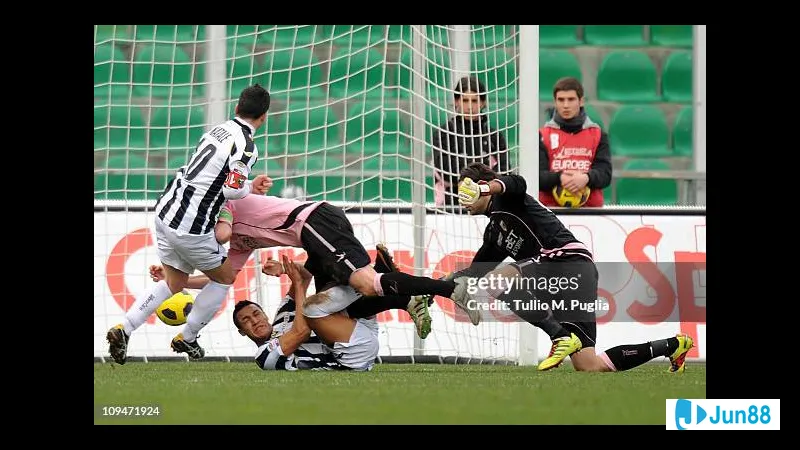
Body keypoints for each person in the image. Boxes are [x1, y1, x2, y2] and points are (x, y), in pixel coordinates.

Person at [450, 162, 693, 373]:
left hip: (567, 260)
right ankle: (674, 345)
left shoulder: (507, 197)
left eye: (466, 191)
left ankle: (560, 336)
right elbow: (476, 271)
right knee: (588, 365)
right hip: (566, 273)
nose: (463, 199)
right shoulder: (494, 233)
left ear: (482, 185)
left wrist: (485, 187)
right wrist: (430, 290)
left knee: (498, 280)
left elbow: (517, 182)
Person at [106, 84, 273, 365]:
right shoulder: (246, 146)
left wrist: (245, 184)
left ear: (236, 108)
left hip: (165, 212)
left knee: (175, 281)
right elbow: (232, 190)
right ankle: (189, 337)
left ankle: (125, 328)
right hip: (191, 226)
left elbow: (215, 175)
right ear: (264, 117)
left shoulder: (217, 130)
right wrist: (250, 189)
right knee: (225, 277)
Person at [203, 193, 469, 325]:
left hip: (314, 222)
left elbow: (222, 230)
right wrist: (175, 282)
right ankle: (402, 296)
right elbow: (222, 276)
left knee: (366, 283)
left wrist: (190, 247)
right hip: (312, 240)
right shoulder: (238, 244)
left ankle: (450, 289)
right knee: (332, 311)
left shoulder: (229, 206)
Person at [234, 254, 388, 371]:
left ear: (264, 314)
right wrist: (298, 284)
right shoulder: (263, 357)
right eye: (246, 320)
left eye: (256, 314)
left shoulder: (283, 314)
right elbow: (301, 332)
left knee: (323, 272)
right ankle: (377, 280)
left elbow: (306, 275)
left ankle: (384, 285)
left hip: (359, 329)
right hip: (351, 357)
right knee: (315, 308)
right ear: (241, 332)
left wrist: (284, 268)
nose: (254, 321)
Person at [432, 76, 510, 207]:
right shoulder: (443, 134)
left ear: (483, 102)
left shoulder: (494, 136)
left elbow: (505, 171)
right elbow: (445, 171)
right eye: (465, 100)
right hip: (451, 206)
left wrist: (466, 171)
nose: (469, 106)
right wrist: (483, 168)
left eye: (474, 100)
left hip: (488, 205)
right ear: (457, 101)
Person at [538, 77, 612, 207]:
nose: (566, 105)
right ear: (555, 102)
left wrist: (586, 178)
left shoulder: (598, 134)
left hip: (590, 213)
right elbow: (536, 176)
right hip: (550, 212)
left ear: (581, 101)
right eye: (561, 100)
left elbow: (605, 174)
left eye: (571, 99)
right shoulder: (542, 135)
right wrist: (559, 178)